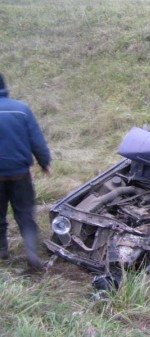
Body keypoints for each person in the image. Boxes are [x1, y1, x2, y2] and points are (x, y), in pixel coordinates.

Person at [0, 73, 51, 269]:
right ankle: (32, 255)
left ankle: (2, 253)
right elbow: (36, 141)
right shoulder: (22, 110)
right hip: (20, 174)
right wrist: (44, 163)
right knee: (25, 215)